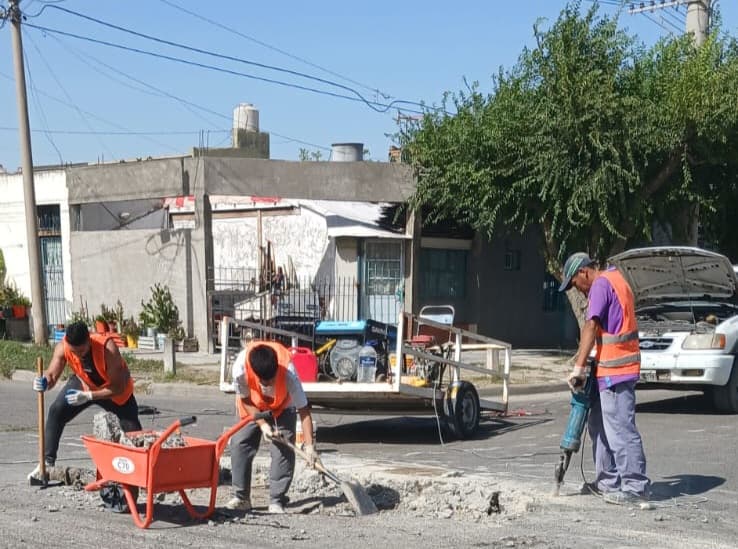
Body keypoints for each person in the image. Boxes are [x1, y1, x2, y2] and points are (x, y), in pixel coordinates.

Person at [559, 252, 650, 505]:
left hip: (616, 370)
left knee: (620, 428)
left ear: (583, 272)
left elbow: (591, 326)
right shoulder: (616, 278)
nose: (577, 290)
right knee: (598, 425)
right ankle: (607, 481)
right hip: (609, 368)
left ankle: (635, 486)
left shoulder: (600, 284)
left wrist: (578, 367)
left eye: (575, 284)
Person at [29, 321, 141, 478]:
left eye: (81, 351)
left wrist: (89, 396)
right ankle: (47, 463)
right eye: (74, 352)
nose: (77, 355)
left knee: (134, 434)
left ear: (89, 340)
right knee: (57, 411)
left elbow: (118, 388)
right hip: (84, 383)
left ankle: (141, 470)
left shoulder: (107, 349)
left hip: (115, 394)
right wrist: (44, 381)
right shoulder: (63, 347)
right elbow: (52, 374)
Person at [226, 341, 318, 514]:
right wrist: (263, 426)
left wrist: (310, 446)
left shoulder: (289, 372)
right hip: (253, 404)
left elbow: (304, 411)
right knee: (240, 443)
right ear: (254, 373)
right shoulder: (240, 369)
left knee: (283, 449)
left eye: (272, 380)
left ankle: (277, 500)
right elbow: (245, 400)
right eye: (264, 381)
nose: (268, 384)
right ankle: (241, 497)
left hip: (283, 405)